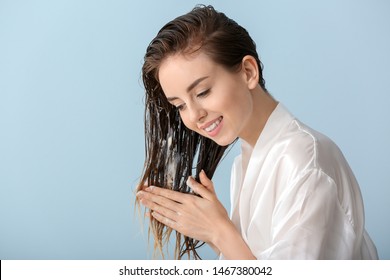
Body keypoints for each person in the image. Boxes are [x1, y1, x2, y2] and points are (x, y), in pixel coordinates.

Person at [136, 4, 378, 260]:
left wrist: (219, 231)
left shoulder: (303, 160)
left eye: (202, 92)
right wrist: (211, 229)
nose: (194, 115)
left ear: (249, 72)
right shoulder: (247, 160)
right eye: (180, 105)